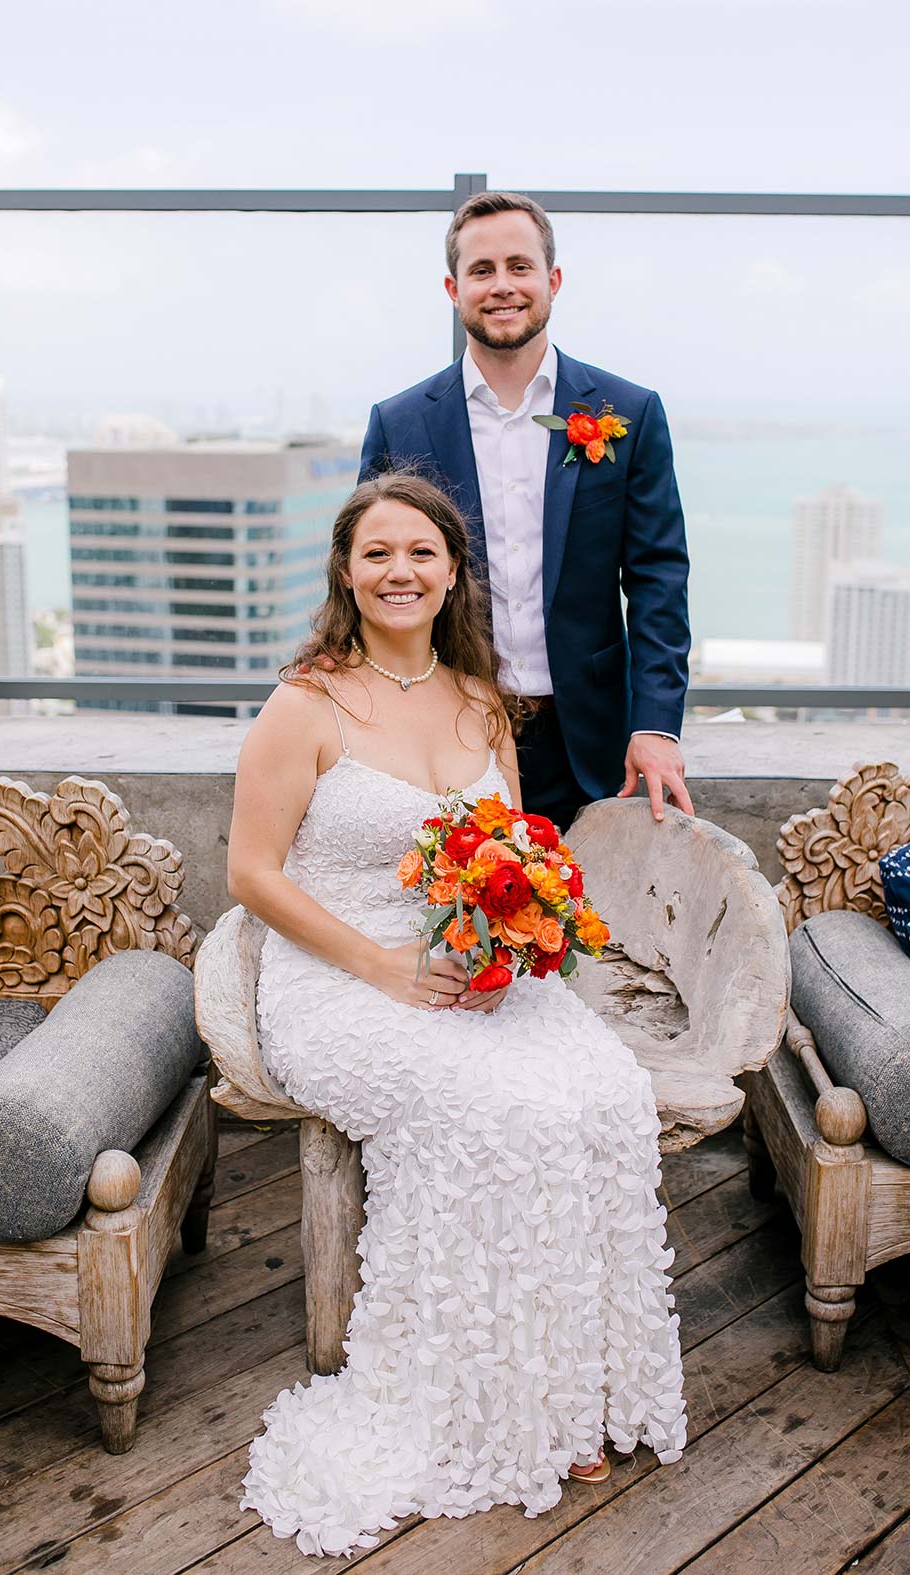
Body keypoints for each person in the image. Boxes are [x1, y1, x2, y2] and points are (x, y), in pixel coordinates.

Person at [228, 472, 686, 1559]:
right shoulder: (306, 703)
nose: (399, 572)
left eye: (421, 554)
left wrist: (510, 937)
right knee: (491, 1113)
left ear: (452, 573)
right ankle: (474, 1409)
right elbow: (250, 872)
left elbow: (508, 851)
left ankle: (570, 1398)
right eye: (378, 553)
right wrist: (383, 968)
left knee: (600, 1096)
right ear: (347, 570)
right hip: (337, 974)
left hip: (459, 965)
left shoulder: (481, 698)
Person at [360, 190, 695, 832]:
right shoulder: (398, 424)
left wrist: (655, 725)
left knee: (593, 927)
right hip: (444, 732)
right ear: (454, 288)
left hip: (593, 743)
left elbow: (658, 579)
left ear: (553, 280)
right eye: (482, 271)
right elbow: (373, 580)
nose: (502, 286)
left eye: (520, 266)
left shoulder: (631, 413)